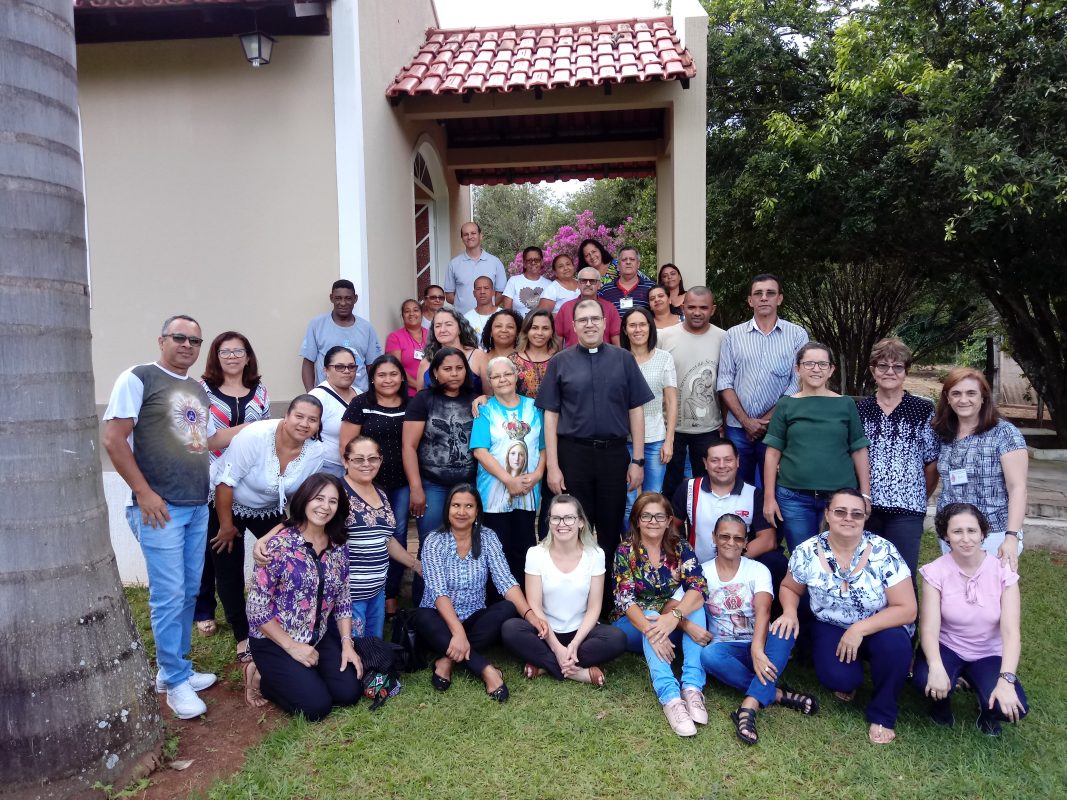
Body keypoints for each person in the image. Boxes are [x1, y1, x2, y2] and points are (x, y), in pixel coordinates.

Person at [102, 314, 217, 719]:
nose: (187, 345)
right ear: (162, 340)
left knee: (187, 591)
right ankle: (174, 681)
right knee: (169, 595)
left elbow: (203, 442)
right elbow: (113, 439)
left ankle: (175, 671)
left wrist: (270, 428)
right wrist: (144, 492)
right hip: (159, 508)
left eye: (195, 341)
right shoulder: (138, 378)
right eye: (179, 337)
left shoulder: (196, 389)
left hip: (196, 505)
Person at [771, 488, 915, 744]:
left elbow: (907, 608)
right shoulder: (807, 551)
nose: (848, 518)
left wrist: (859, 629)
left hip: (880, 623)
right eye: (840, 512)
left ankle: (882, 712)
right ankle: (852, 677)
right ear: (827, 514)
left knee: (894, 648)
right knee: (839, 679)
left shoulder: (884, 551)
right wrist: (790, 612)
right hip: (831, 623)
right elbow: (789, 587)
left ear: (865, 518)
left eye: (856, 514)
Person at [537, 298, 654, 612]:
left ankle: (610, 603)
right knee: (576, 529)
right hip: (573, 456)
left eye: (595, 319)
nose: (589, 324)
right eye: (583, 320)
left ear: (604, 323)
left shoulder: (623, 359)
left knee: (611, 530)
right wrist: (553, 467)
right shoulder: (560, 362)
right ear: (574, 326)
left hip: (613, 456)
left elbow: (636, 410)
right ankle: (576, 602)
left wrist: (638, 460)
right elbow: (550, 416)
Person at [209, 398, 327, 659]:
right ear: (286, 416)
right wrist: (226, 527)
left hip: (270, 506)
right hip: (227, 502)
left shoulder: (316, 452)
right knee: (228, 566)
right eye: (299, 416)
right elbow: (225, 482)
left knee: (283, 558)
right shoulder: (255, 436)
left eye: (312, 419)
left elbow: (301, 501)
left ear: (319, 425)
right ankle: (242, 635)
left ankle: (278, 621)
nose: (304, 424)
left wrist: (271, 536)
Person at [244, 474, 363, 720]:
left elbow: (343, 597)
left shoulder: (338, 545)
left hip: (316, 636)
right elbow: (256, 609)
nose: (325, 506)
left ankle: (302, 675)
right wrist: (293, 647)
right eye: (318, 498)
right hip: (275, 640)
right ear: (305, 499)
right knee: (316, 707)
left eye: (332, 501)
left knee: (349, 693)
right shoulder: (277, 546)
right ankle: (260, 676)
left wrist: (347, 643)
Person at [415, 484, 547, 702]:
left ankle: (448, 659)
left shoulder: (488, 537)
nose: (462, 511)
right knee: (422, 616)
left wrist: (530, 615)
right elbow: (438, 592)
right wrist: (457, 632)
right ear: (447, 509)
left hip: (474, 617)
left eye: (469, 506)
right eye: (456, 505)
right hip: (440, 618)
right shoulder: (434, 541)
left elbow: (506, 582)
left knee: (507, 608)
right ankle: (486, 670)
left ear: (477, 511)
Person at [693, 515, 817, 746]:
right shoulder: (702, 573)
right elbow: (678, 606)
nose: (731, 542)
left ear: (746, 542)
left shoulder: (758, 569)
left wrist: (757, 650)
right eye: (725, 536)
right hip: (727, 648)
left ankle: (748, 707)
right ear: (714, 538)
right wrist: (687, 624)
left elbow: (763, 611)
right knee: (708, 655)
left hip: (763, 645)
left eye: (738, 538)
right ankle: (776, 693)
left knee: (785, 629)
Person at [913, 503, 1028, 736]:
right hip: (948, 646)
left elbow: (1011, 633)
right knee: (924, 680)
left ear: (983, 533)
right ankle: (941, 707)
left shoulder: (1003, 571)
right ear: (946, 535)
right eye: (957, 531)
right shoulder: (935, 571)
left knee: (1012, 708)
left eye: (972, 531)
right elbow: (929, 628)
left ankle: (987, 712)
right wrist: (936, 666)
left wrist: (1006, 680)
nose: (966, 539)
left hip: (988, 653)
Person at [194, 331, 270, 653]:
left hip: (252, 485)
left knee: (276, 542)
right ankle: (209, 612)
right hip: (212, 482)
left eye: (239, 351)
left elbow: (267, 437)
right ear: (216, 356)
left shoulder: (260, 391)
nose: (233, 357)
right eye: (225, 351)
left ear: (248, 356)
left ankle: (267, 610)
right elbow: (201, 440)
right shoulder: (200, 391)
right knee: (215, 552)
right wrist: (248, 430)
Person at [501, 495, 627, 684]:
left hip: (581, 632)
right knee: (510, 629)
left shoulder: (595, 555)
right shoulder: (535, 554)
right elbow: (534, 605)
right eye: (556, 518)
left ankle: (545, 665)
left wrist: (575, 643)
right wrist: (556, 646)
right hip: (544, 632)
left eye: (569, 518)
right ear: (549, 522)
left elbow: (594, 608)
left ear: (581, 522)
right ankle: (577, 672)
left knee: (617, 638)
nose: (562, 524)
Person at [612, 492, 708, 737]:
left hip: (670, 622)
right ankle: (671, 698)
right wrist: (652, 629)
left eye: (659, 516)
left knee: (695, 606)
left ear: (668, 521)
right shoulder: (625, 551)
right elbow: (625, 600)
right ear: (637, 521)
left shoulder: (681, 547)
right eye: (646, 516)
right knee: (650, 614)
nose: (653, 521)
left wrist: (674, 618)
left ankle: (692, 688)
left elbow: (698, 588)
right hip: (636, 626)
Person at [763, 343, 871, 553]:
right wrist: (769, 498)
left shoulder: (846, 404)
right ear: (798, 369)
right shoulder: (786, 405)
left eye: (822, 364)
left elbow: (859, 450)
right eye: (809, 363)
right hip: (794, 498)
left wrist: (865, 495)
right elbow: (773, 452)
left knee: (837, 555)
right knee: (802, 555)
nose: (816, 369)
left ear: (831, 370)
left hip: (839, 499)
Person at [857, 337, 940, 576]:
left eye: (897, 367)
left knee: (902, 574)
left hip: (908, 509)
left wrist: (918, 496)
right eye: (883, 366)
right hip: (866, 507)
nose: (890, 372)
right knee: (866, 574)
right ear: (873, 370)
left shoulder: (923, 409)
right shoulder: (859, 410)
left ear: (906, 371)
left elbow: (932, 462)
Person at [403, 347, 480, 603]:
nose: (454, 373)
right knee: (430, 544)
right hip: (432, 484)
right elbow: (409, 446)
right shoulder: (423, 400)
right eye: (447, 369)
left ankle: (463, 603)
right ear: (435, 372)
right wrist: (416, 488)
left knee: (467, 544)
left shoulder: (476, 400)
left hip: (468, 484)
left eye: (459, 368)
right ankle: (423, 606)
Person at [717, 274, 808, 487]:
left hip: (777, 429)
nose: (764, 298)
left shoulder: (797, 335)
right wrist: (746, 422)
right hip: (738, 428)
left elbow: (797, 383)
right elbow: (725, 381)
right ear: (750, 300)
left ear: (779, 299)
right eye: (758, 293)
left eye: (770, 293)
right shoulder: (733, 335)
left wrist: (764, 423)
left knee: (775, 489)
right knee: (737, 488)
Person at [932, 367, 1027, 572]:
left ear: (983, 397)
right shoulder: (944, 433)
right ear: (948, 398)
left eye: (971, 393)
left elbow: (1017, 488)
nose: (963, 400)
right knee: (956, 588)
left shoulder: (1004, 433)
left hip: (994, 533)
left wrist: (1011, 536)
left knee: (992, 590)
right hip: (953, 532)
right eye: (956, 393)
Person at [339, 354, 410, 618]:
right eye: (381, 375)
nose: (388, 379)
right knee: (362, 537)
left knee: (396, 535)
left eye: (393, 374)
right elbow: (346, 446)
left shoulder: (411, 404)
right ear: (372, 379)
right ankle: (355, 592)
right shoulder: (361, 404)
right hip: (367, 482)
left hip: (401, 483)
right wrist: (355, 480)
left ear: (402, 377)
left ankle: (389, 595)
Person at [671, 438, 788, 591]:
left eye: (728, 460)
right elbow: (671, 527)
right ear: (705, 463)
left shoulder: (753, 494)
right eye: (715, 460)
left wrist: (729, 559)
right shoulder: (689, 488)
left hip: (741, 565)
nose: (722, 465)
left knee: (775, 561)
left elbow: (768, 540)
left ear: (737, 461)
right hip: (699, 567)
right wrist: (682, 555)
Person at [471, 357, 545, 587]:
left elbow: (544, 447)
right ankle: (498, 602)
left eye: (507, 374)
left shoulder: (535, 407)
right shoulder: (484, 410)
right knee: (497, 550)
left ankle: (526, 600)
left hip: (527, 491)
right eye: (496, 376)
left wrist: (538, 475)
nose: (502, 379)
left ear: (516, 376)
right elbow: (480, 451)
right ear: (489, 381)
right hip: (493, 493)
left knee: (524, 549)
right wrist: (508, 480)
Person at [658, 287, 727, 501]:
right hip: (670, 428)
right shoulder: (664, 337)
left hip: (709, 428)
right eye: (692, 307)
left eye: (703, 308)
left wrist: (724, 423)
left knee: (705, 486)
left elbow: (726, 382)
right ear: (682, 307)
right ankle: (671, 522)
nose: (697, 312)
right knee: (669, 486)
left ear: (712, 309)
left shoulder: (723, 338)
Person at [619, 307, 677, 523]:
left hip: (655, 440)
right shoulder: (618, 359)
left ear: (650, 327)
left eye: (642, 324)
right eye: (632, 325)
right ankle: (629, 544)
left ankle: (651, 543)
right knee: (629, 502)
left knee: (653, 499)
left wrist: (669, 440)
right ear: (624, 330)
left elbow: (671, 401)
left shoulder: (664, 358)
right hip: (625, 441)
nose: (638, 330)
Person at [299, 279, 381, 393]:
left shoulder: (367, 328)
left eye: (348, 298)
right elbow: (308, 362)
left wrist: (374, 395)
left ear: (355, 299)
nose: (343, 303)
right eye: (338, 298)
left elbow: (372, 366)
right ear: (331, 298)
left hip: (360, 394)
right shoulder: (317, 325)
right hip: (326, 394)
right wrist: (311, 394)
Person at [309, 346, 358, 478]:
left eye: (351, 367)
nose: (347, 371)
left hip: (358, 467)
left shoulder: (360, 394)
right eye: (339, 367)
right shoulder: (316, 397)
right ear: (326, 370)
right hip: (326, 468)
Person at [416, 308, 487, 393]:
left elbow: (489, 395)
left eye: (448, 325)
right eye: (438, 326)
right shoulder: (426, 362)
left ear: (460, 328)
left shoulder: (478, 356)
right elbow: (420, 397)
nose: (442, 330)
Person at [445, 221, 507, 315]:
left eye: (473, 233)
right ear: (462, 238)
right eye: (466, 234)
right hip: (462, 319)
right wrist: (464, 306)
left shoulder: (495, 263)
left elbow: (501, 293)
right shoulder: (453, 264)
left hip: (488, 318)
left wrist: (487, 308)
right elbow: (449, 296)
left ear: (481, 236)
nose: (469, 237)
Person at [554, 267, 621, 348]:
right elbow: (558, 339)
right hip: (572, 355)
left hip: (603, 355)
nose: (588, 284)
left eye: (592, 281)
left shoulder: (610, 308)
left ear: (599, 285)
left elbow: (616, 341)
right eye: (584, 281)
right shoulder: (566, 308)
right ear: (578, 284)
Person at [509, 308, 560, 399]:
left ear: (552, 332)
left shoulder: (560, 360)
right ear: (526, 330)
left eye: (545, 328)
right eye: (534, 328)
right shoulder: (512, 361)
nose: (540, 333)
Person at [385, 298, 428, 396]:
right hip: (407, 394)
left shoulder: (431, 335)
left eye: (415, 310)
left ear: (421, 314)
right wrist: (419, 386)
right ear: (402, 316)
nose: (411, 314)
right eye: (407, 311)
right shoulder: (395, 337)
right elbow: (396, 367)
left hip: (432, 392)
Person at [598, 246, 656, 314]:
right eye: (624, 259)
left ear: (638, 264)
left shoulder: (652, 287)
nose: (628, 262)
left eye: (632, 259)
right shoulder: (605, 290)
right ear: (618, 265)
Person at [502, 246, 552, 317]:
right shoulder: (513, 281)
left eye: (536, 260)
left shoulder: (549, 285)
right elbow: (507, 311)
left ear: (541, 262)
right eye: (529, 260)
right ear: (524, 263)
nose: (533, 263)